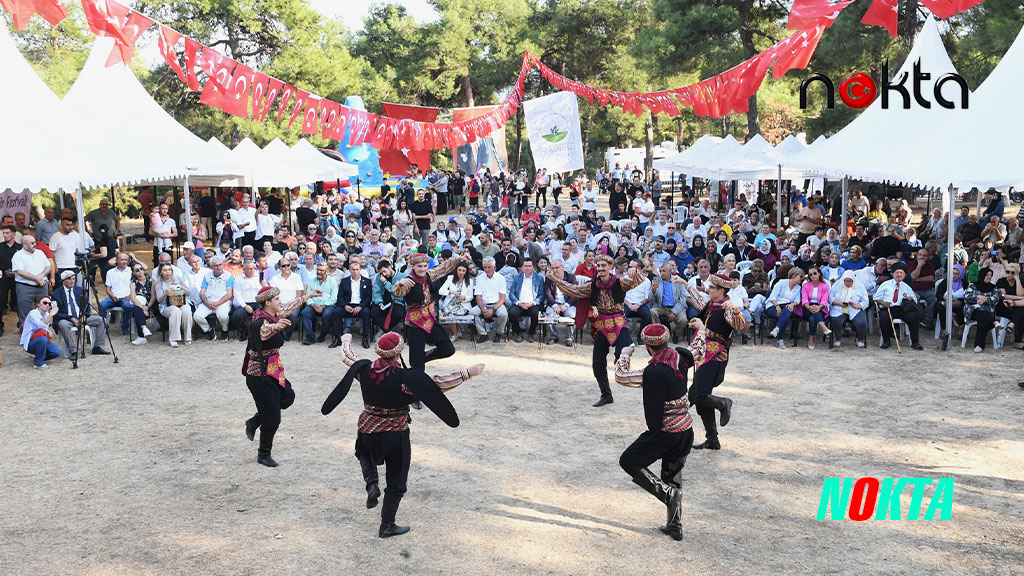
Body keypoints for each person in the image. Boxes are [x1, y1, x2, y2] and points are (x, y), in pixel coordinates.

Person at [326, 332, 485, 537]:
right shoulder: (404, 379)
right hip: (395, 433)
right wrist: (467, 373)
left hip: (368, 427)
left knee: (362, 452)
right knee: (396, 480)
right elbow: (435, 386)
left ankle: (372, 483)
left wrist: (346, 341)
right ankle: (387, 525)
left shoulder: (364, 370)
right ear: (398, 353)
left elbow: (348, 359)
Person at [613, 324, 695, 541]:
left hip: (665, 432)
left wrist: (624, 355)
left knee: (628, 460)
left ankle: (668, 495)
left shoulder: (653, 372)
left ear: (648, 346)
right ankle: (675, 526)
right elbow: (699, 350)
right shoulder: (681, 358)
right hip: (685, 429)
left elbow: (622, 376)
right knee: (672, 475)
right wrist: (702, 333)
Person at [550, 254, 646, 407]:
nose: (600, 269)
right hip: (602, 325)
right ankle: (606, 395)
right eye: (598, 266)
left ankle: (625, 359)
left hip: (619, 323)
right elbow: (573, 290)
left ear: (610, 267)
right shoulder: (592, 285)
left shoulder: (620, 283)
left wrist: (635, 271)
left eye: (603, 266)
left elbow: (640, 279)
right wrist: (556, 280)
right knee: (597, 363)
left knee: (620, 355)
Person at [242, 285, 321, 467]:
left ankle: (255, 420)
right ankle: (263, 454)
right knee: (273, 418)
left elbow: (290, 307)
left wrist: (308, 295)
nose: (280, 302)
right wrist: (276, 327)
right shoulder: (260, 320)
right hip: (259, 375)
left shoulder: (273, 313)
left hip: (273, 369)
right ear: (267, 302)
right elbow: (262, 331)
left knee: (288, 397)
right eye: (277, 299)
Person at [681, 273, 744, 450]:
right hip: (703, 354)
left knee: (697, 396)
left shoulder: (728, 307)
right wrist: (686, 284)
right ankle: (713, 440)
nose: (708, 290)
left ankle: (723, 403)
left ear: (721, 290)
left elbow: (740, 325)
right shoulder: (712, 304)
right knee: (700, 399)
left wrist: (737, 310)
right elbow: (699, 303)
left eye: (711, 288)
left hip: (716, 356)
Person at [52, 270, 110, 360]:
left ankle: (97, 347)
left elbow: (87, 306)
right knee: (63, 324)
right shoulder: (56, 294)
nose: (72, 281)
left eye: (73, 279)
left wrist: (84, 316)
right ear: (63, 281)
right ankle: (73, 351)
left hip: (81, 317)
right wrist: (71, 318)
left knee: (101, 320)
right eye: (69, 279)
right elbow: (56, 313)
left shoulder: (79, 290)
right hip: (67, 319)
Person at [875, 262, 924, 351]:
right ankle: (886, 341)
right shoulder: (886, 285)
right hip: (888, 308)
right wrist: (883, 303)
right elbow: (876, 297)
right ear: (892, 274)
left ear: (905, 275)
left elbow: (915, 300)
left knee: (913, 317)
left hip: (902, 309)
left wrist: (910, 299)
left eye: (901, 273)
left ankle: (915, 342)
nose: (899, 275)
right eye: (897, 272)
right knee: (884, 317)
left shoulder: (906, 287)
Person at [11, 232, 52, 325]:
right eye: (32, 243)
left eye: (35, 243)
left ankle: (43, 334)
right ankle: (26, 337)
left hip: (42, 286)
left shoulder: (40, 253)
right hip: (25, 287)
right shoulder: (18, 255)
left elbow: (48, 266)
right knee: (25, 314)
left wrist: (41, 276)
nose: (35, 245)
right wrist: (36, 278)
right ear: (24, 244)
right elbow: (20, 271)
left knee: (44, 311)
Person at [332, 259, 374, 349]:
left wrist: (361, 306)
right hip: (347, 305)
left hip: (361, 305)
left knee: (367, 313)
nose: (355, 271)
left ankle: (365, 337)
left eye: (357, 269)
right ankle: (337, 337)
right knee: (336, 312)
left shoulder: (367, 281)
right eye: (353, 269)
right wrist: (345, 305)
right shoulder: (344, 281)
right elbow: (340, 296)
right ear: (349, 270)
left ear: (360, 270)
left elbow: (368, 297)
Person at [152, 262, 193, 347]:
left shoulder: (178, 279)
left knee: (186, 310)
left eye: (169, 270)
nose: (167, 272)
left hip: (181, 302)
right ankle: (173, 339)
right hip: (166, 306)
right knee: (175, 311)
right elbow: (159, 300)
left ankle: (187, 337)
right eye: (165, 270)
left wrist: (181, 286)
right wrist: (165, 293)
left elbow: (188, 292)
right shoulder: (159, 284)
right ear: (160, 272)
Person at [194, 257, 234, 341]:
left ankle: (225, 330)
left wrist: (218, 303)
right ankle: (209, 330)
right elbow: (202, 292)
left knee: (222, 315)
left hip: (223, 302)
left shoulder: (228, 276)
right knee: (197, 316)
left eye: (220, 265)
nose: (218, 267)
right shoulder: (207, 276)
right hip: (208, 302)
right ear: (212, 267)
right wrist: (206, 302)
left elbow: (229, 293)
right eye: (215, 266)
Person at [963, 267, 1001, 353]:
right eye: (987, 275)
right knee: (980, 312)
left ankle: (979, 345)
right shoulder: (973, 285)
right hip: (972, 311)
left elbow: (995, 300)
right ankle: (994, 322)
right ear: (982, 275)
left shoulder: (993, 287)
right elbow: (966, 297)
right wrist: (978, 297)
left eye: (991, 275)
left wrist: (985, 299)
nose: (989, 277)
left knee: (982, 316)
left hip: (986, 312)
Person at [508, 258, 546, 342]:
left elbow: (541, 295)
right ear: (522, 267)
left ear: (533, 267)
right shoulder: (517, 278)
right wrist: (518, 303)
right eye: (526, 266)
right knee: (512, 314)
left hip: (532, 304)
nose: (528, 268)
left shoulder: (539, 278)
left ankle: (531, 333)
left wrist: (532, 303)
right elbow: (511, 293)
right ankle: (518, 333)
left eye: (529, 266)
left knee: (535, 313)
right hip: (519, 303)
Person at [828, 270, 869, 348]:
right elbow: (830, 297)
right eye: (847, 281)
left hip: (855, 309)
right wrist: (839, 303)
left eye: (851, 281)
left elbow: (865, 301)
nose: (848, 283)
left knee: (862, 323)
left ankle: (860, 339)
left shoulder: (860, 286)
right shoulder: (837, 285)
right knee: (836, 320)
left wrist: (856, 305)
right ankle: (838, 338)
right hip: (839, 308)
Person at [301, 262, 338, 345]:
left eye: (322, 270)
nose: (319, 272)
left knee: (328, 314)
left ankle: (323, 334)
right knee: (305, 313)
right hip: (313, 305)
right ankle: (310, 336)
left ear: (327, 271)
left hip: (327, 305)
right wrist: (313, 305)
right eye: (318, 269)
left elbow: (334, 298)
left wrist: (323, 306)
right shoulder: (312, 281)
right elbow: (308, 296)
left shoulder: (332, 282)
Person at [21, 295, 62, 369]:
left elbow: (44, 329)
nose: (47, 305)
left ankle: (39, 357)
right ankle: (38, 363)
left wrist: (49, 333)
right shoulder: (33, 313)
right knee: (43, 339)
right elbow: (41, 325)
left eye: (49, 304)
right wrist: (51, 315)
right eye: (45, 303)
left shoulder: (46, 314)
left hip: (40, 339)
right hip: (30, 342)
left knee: (57, 352)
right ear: (38, 304)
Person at [371, 259, 406, 333]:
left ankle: (385, 330)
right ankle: (387, 330)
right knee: (374, 312)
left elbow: (396, 291)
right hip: (383, 301)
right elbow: (376, 292)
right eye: (381, 272)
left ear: (390, 267)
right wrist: (379, 303)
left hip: (396, 301)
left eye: (384, 271)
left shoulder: (401, 276)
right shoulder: (379, 277)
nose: (383, 274)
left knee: (398, 314)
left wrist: (385, 282)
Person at [801, 267, 832, 350]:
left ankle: (811, 339)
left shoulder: (825, 286)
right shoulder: (805, 285)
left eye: (815, 273)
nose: (813, 276)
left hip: (820, 306)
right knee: (813, 314)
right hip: (807, 307)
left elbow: (825, 299)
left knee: (812, 318)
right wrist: (808, 307)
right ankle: (823, 326)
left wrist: (819, 307)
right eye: (810, 274)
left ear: (819, 274)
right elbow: (804, 299)